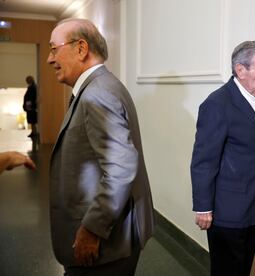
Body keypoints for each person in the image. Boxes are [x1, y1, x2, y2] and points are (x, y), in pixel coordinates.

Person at [46, 18, 154, 276]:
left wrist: (92, 229)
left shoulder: (98, 94)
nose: (50, 59)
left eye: (54, 48)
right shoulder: (102, 86)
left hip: (106, 245)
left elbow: (121, 167)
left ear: (81, 48)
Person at [191, 41, 255, 276]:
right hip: (227, 211)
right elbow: (203, 160)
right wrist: (203, 207)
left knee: (243, 269)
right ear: (240, 70)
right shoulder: (217, 104)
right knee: (227, 271)